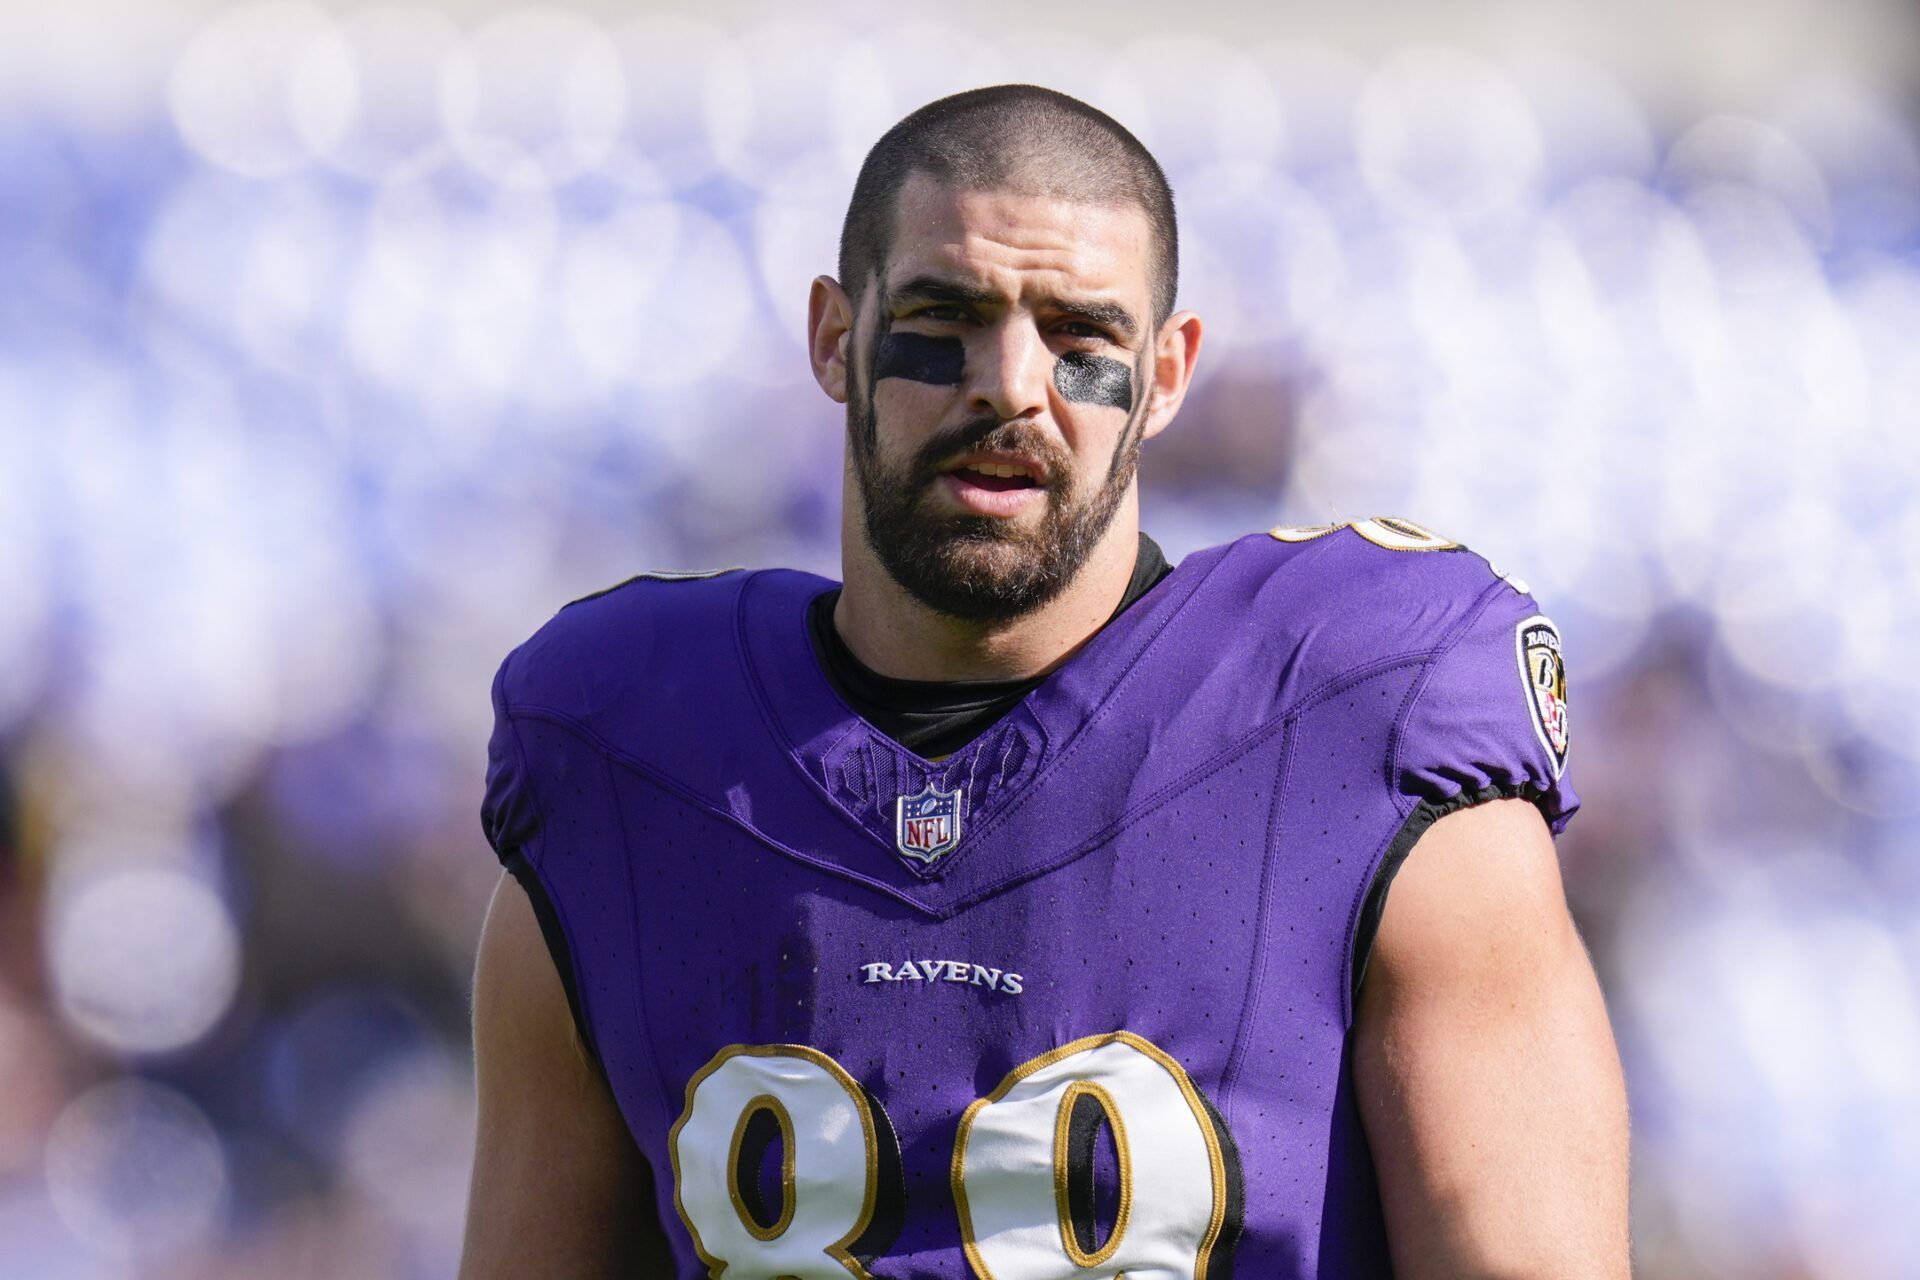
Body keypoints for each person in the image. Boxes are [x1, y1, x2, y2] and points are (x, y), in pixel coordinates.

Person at [459, 85, 1628, 1279]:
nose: (1010, 385)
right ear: (833, 337)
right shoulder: (629, 756)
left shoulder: (1358, 714)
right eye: (944, 316)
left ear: (1168, 375)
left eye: (1080, 337)